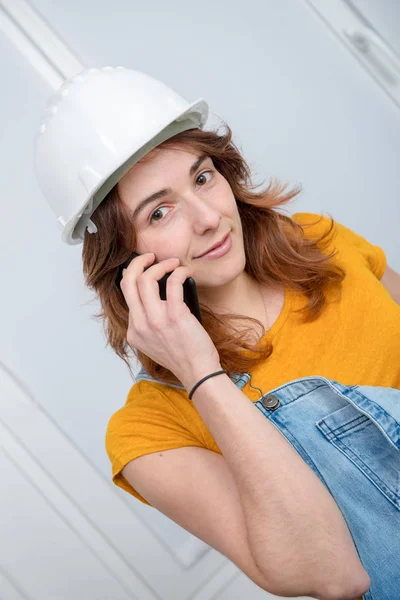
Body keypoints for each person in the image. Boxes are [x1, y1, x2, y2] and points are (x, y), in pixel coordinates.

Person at [35, 67, 400, 600]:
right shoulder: (149, 433)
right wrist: (203, 375)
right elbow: (334, 577)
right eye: (160, 212)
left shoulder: (326, 244)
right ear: (123, 259)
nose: (208, 218)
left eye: (202, 177)